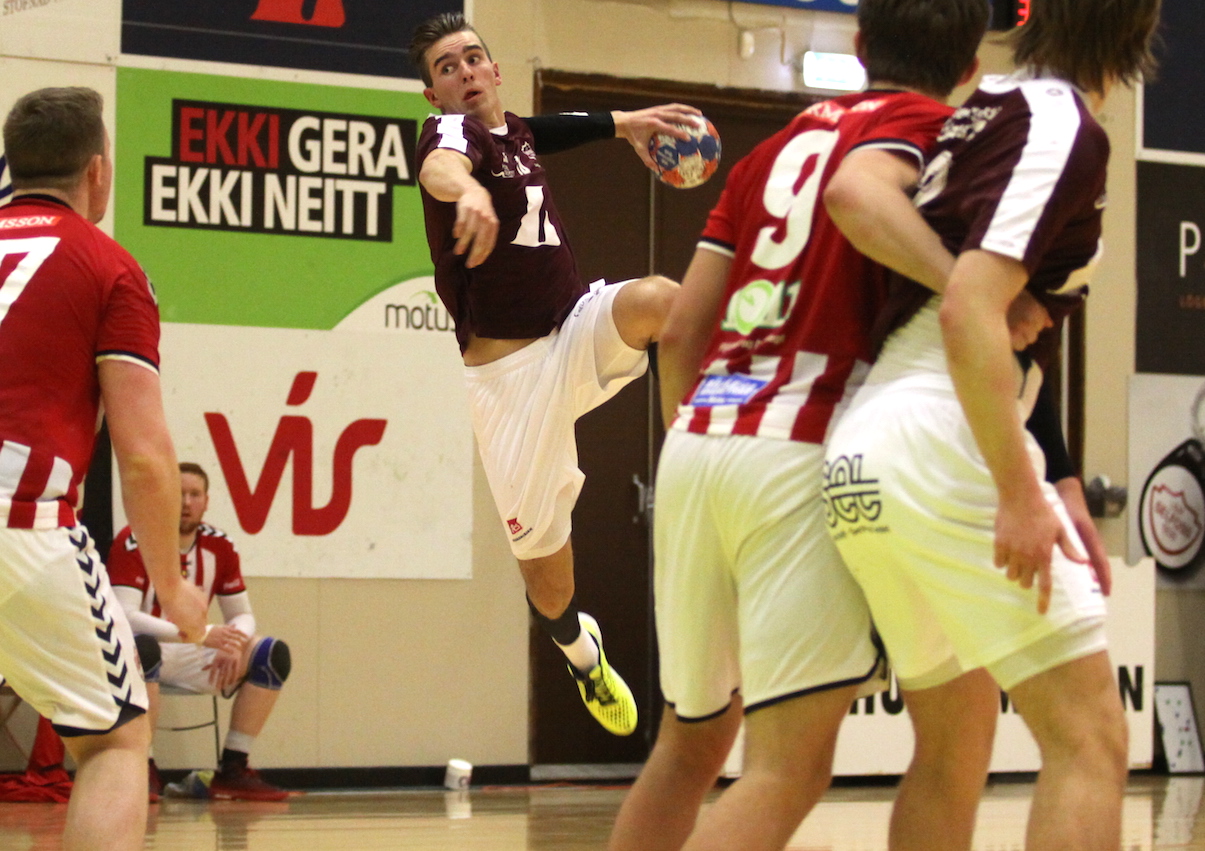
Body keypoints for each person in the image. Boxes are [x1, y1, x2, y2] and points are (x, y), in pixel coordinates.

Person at [608, 2, 989, 849]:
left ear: (859, 44)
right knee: (787, 769)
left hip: (700, 439)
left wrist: (700, 439)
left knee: (686, 747)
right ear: (970, 67)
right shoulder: (942, 140)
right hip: (805, 447)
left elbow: (681, 331)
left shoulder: (771, 150)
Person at [822, 2, 1161, 849]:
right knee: (1089, 737)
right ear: (1137, 31)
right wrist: (1018, 489)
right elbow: (970, 311)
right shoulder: (1058, 121)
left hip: (867, 447)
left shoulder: (982, 110)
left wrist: (1057, 475)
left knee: (952, 742)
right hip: (943, 433)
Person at [409, 11, 692, 735]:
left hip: (573, 327)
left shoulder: (513, 135)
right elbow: (442, 166)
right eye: (447, 67)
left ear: (495, 70)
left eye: (474, 58)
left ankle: (701, 458)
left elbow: (547, 128)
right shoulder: (448, 135)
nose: (466, 71)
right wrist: (466, 191)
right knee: (549, 586)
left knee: (663, 301)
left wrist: (625, 124)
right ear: (433, 95)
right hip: (509, 383)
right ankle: (580, 652)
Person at [0, 87, 208, 851]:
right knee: (116, 739)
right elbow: (144, 455)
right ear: (97, 171)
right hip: (20, 522)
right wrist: (174, 588)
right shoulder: (108, 266)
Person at [108, 462, 292, 802]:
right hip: (144, 654)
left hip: (195, 656)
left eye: (195, 494)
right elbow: (124, 616)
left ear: (207, 501)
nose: (186, 502)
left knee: (271, 654)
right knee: (143, 646)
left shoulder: (220, 545)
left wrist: (234, 642)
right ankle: (142, 766)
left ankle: (233, 768)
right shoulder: (133, 540)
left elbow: (242, 614)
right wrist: (198, 634)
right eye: (179, 494)